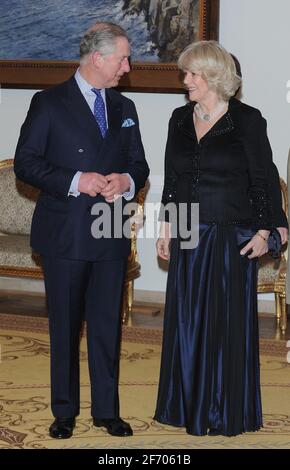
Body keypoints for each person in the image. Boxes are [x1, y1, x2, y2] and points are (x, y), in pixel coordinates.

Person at [14, 22, 149, 439]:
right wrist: (78, 181)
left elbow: (139, 165)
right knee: (65, 327)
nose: (127, 67)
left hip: (109, 230)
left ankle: (107, 412)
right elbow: (27, 164)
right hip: (65, 234)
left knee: (108, 325)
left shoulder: (125, 108)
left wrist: (125, 181)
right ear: (98, 58)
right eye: (123, 58)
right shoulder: (49, 103)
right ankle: (65, 412)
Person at [154, 40, 288, 437]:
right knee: (187, 323)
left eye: (192, 74)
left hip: (232, 237)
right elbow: (173, 179)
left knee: (225, 327)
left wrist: (264, 232)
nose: (185, 80)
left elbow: (263, 179)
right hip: (189, 235)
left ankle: (223, 412)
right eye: (185, 73)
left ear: (213, 76)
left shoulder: (248, 120)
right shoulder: (179, 118)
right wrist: (165, 228)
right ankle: (183, 406)